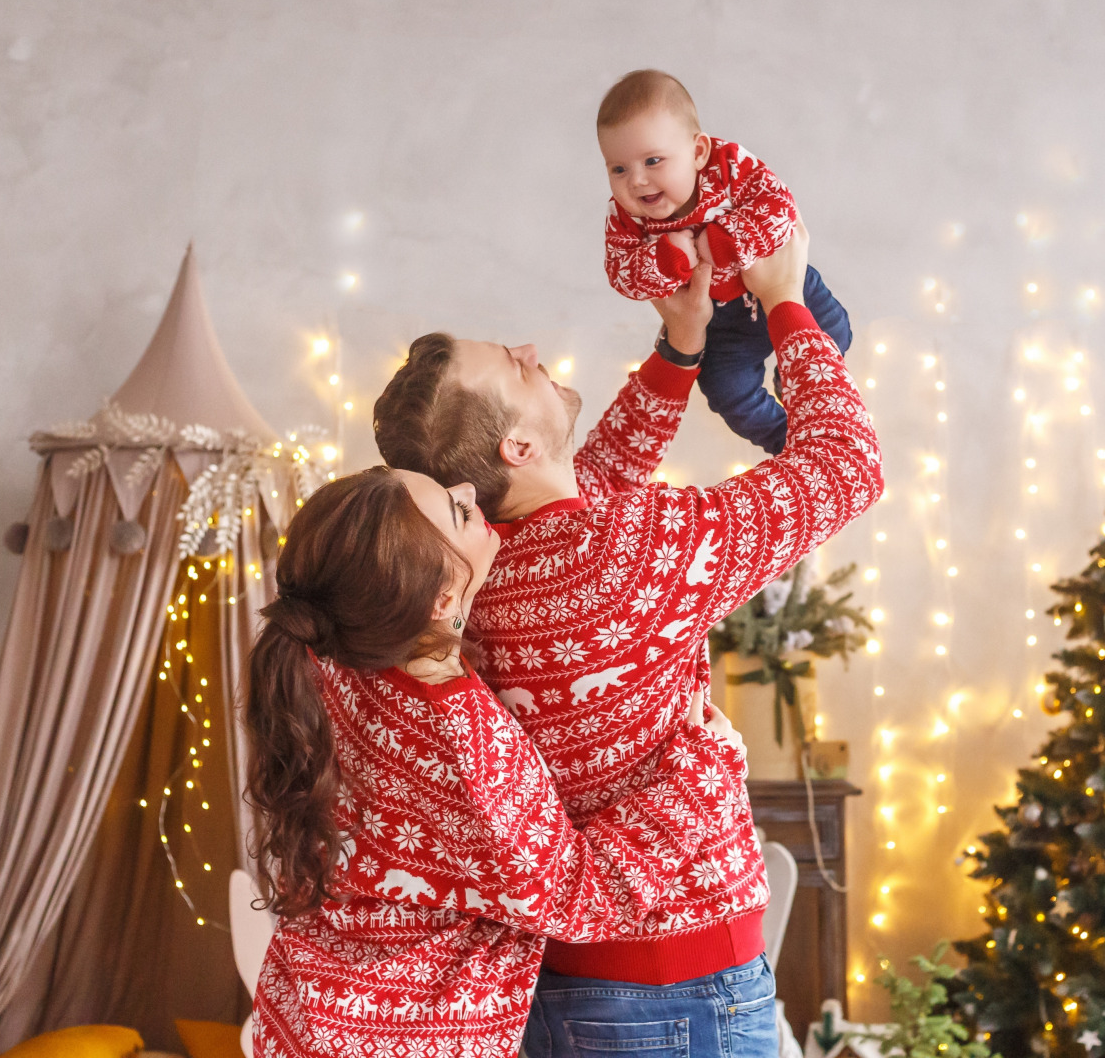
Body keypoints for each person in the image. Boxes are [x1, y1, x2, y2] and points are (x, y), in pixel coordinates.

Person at [372, 220, 882, 1058]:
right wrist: (788, 305)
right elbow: (848, 465)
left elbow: (587, 485)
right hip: (677, 998)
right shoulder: (638, 550)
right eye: (516, 363)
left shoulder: (472, 569)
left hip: (548, 986)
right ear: (518, 446)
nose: (533, 351)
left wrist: (681, 349)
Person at [243, 466, 748, 1058]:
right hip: (397, 1034)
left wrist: (670, 372)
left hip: (312, 1009)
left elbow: (571, 468)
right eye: (458, 511)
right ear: (441, 598)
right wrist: (705, 767)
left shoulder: (336, 653)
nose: (468, 491)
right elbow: (578, 896)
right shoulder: (463, 737)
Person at [598, 68, 853, 454]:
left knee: (836, 331)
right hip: (721, 321)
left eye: (653, 160)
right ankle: (787, 445)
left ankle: (793, 378)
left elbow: (778, 205)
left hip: (782, 281)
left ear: (698, 152)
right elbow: (622, 274)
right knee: (727, 392)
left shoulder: (729, 165)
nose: (636, 181)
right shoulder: (624, 217)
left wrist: (725, 240)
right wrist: (665, 260)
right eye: (619, 169)